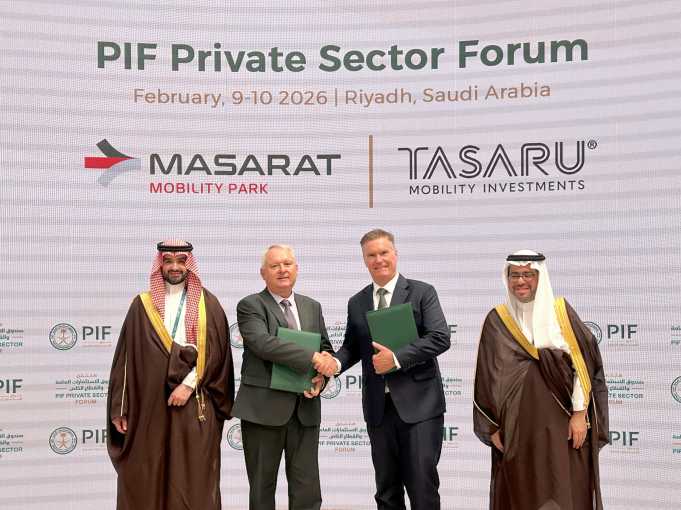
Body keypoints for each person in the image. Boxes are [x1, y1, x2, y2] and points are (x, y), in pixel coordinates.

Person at [473, 250, 609, 510]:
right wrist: (492, 427)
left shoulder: (561, 313)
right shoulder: (498, 319)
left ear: (540, 276)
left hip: (560, 423)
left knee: (561, 487)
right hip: (517, 426)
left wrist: (579, 414)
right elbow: (487, 377)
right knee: (523, 490)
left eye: (527, 274)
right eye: (514, 275)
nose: (520, 281)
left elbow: (583, 366)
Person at [106, 240, 235, 510]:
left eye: (181, 261)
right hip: (149, 406)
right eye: (168, 261)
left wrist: (188, 385)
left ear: (190, 265)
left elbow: (217, 354)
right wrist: (120, 407)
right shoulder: (141, 305)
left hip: (193, 404)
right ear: (160, 265)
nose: (174, 267)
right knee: (146, 475)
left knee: (193, 480)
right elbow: (125, 359)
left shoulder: (208, 304)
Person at [330, 228, 451, 510]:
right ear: (364, 260)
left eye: (384, 252)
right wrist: (333, 363)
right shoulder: (357, 302)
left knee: (422, 489)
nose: (378, 260)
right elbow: (351, 347)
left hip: (420, 409)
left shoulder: (422, 292)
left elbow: (440, 337)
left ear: (395, 254)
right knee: (386, 493)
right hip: (379, 411)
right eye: (371, 255)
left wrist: (396, 358)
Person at [232, 244, 336, 510]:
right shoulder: (250, 305)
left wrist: (322, 377)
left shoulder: (312, 306)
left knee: (307, 490)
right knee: (262, 490)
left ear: (296, 269)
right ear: (263, 273)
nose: (282, 270)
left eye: (287, 264)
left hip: (305, 410)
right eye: (274, 265)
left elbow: (325, 347)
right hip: (263, 411)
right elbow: (263, 343)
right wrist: (312, 358)